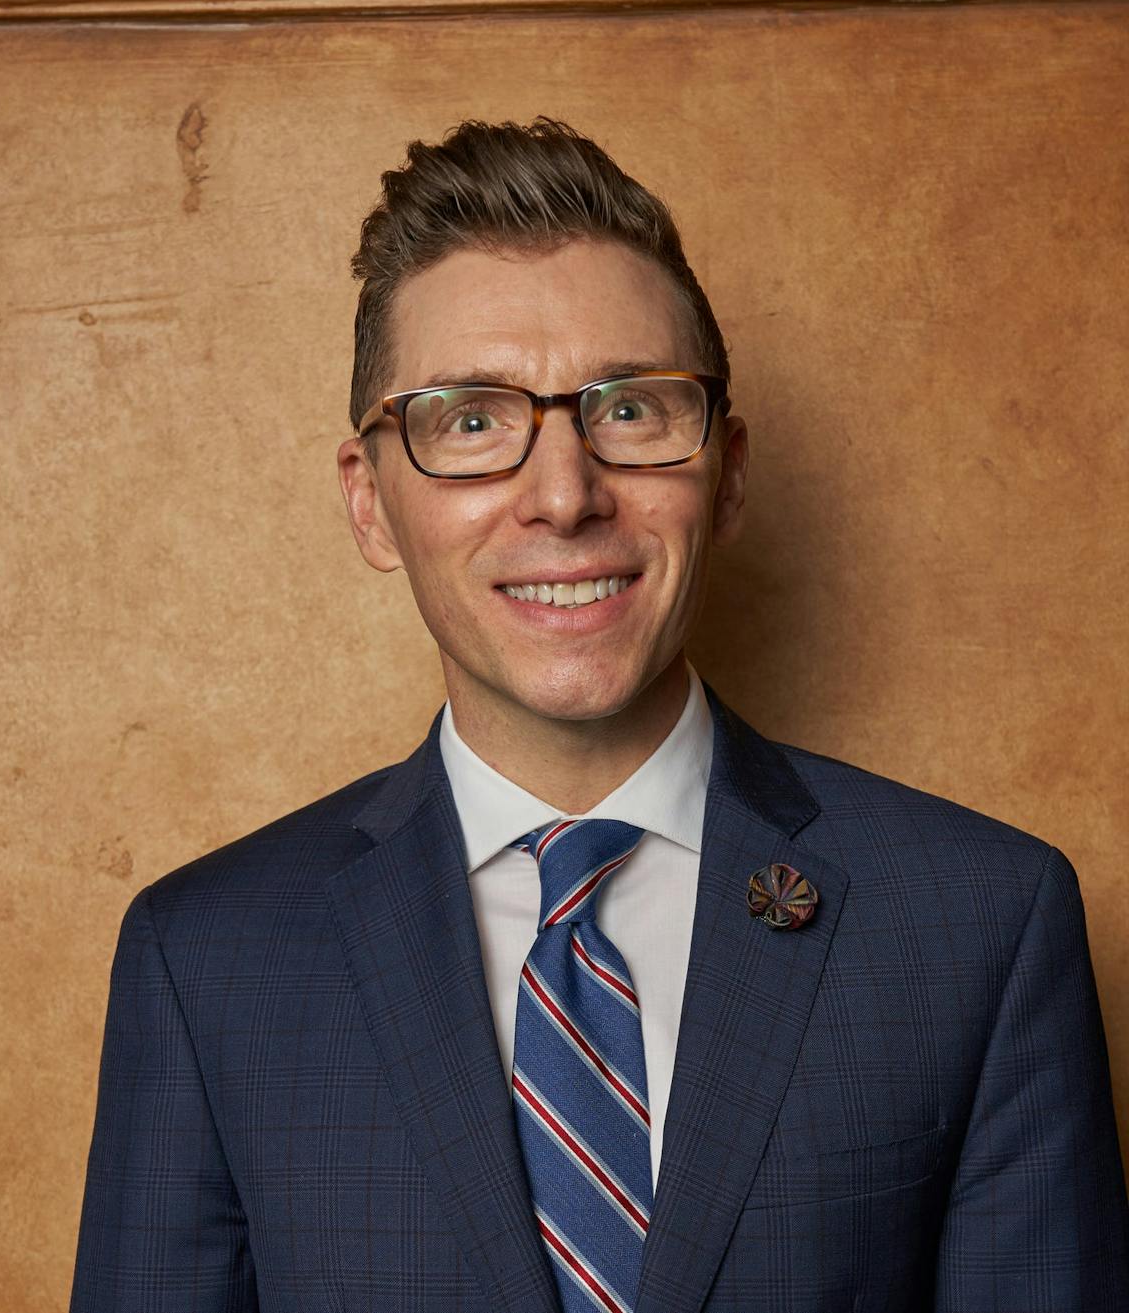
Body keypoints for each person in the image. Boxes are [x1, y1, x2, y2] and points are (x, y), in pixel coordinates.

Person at [70, 116, 1129, 1312]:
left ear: (724, 470)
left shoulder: (978, 925)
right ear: (371, 505)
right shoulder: (208, 959)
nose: (564, 495)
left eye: (629, 410)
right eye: (470, 420)